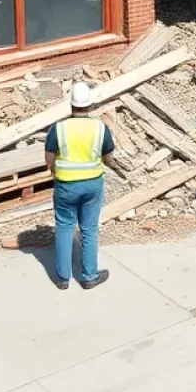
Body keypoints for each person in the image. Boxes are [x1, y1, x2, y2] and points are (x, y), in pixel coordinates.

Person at [44, 82, 115, 290]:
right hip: (92, 184)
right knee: (89, 229)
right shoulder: (100, 128)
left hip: (65, 185)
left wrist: (55, 173)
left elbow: (49, 158)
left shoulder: (59, 128)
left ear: (71, 105)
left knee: (64, 227)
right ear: (90, 104)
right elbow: (108, 156)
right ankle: (89, 276)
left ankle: (63, 278)